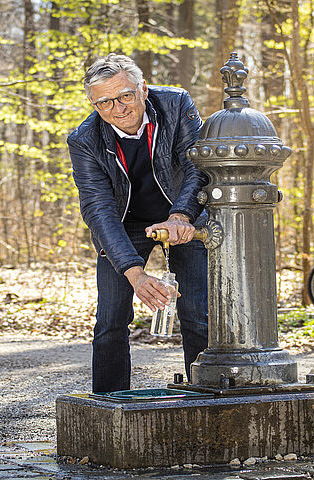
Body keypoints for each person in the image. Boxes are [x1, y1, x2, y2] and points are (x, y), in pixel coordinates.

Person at [67, 53, 209, 393]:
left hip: (183, 215)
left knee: (197, 313)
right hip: (124, 224)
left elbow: (197, 166)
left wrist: (181, 215)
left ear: (142, 90)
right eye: (104, 102)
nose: (118, 108)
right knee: (110, 320)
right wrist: (134, 273)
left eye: (125, 95)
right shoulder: (83, 140)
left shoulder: (176, 104)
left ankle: (207, 396)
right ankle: (108, 403)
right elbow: (98, 208)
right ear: (94, 105)